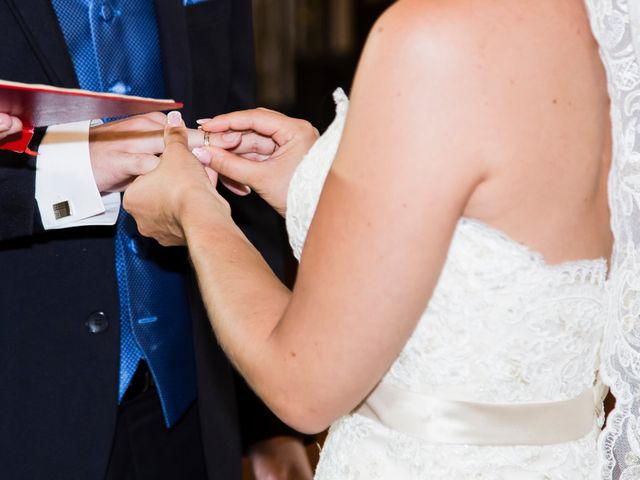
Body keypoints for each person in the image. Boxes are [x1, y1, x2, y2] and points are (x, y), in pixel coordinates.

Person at [125, 0, 632, 477]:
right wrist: (316, 186)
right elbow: (517, 220)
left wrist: (197, 212)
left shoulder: (431, 40)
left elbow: (301, 386)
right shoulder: (603, 27)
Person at [0, 1, 311, 479]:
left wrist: (263, 417)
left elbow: (245, 185)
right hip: (23, 402)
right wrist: (74, 173)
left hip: (189, 399)